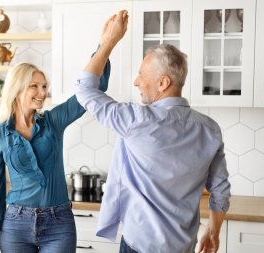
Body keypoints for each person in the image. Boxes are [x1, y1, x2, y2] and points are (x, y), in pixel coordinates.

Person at [75, 10, 231, 253]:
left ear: (163, 83)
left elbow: (84, 89)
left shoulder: (136, 121)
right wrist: (213, 231)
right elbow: (220, 189)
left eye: (141, 74)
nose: (136, 82)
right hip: (183, 247)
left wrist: (108, 41)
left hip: (138, 246)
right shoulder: (210, 128)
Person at [0, 52, 110, 251]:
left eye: (44, 86)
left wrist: (105, 46)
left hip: (58, 224)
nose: (42, 93)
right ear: (17, 89)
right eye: (35, 86)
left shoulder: (53, 121)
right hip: (16, 225)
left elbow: (93, 89)